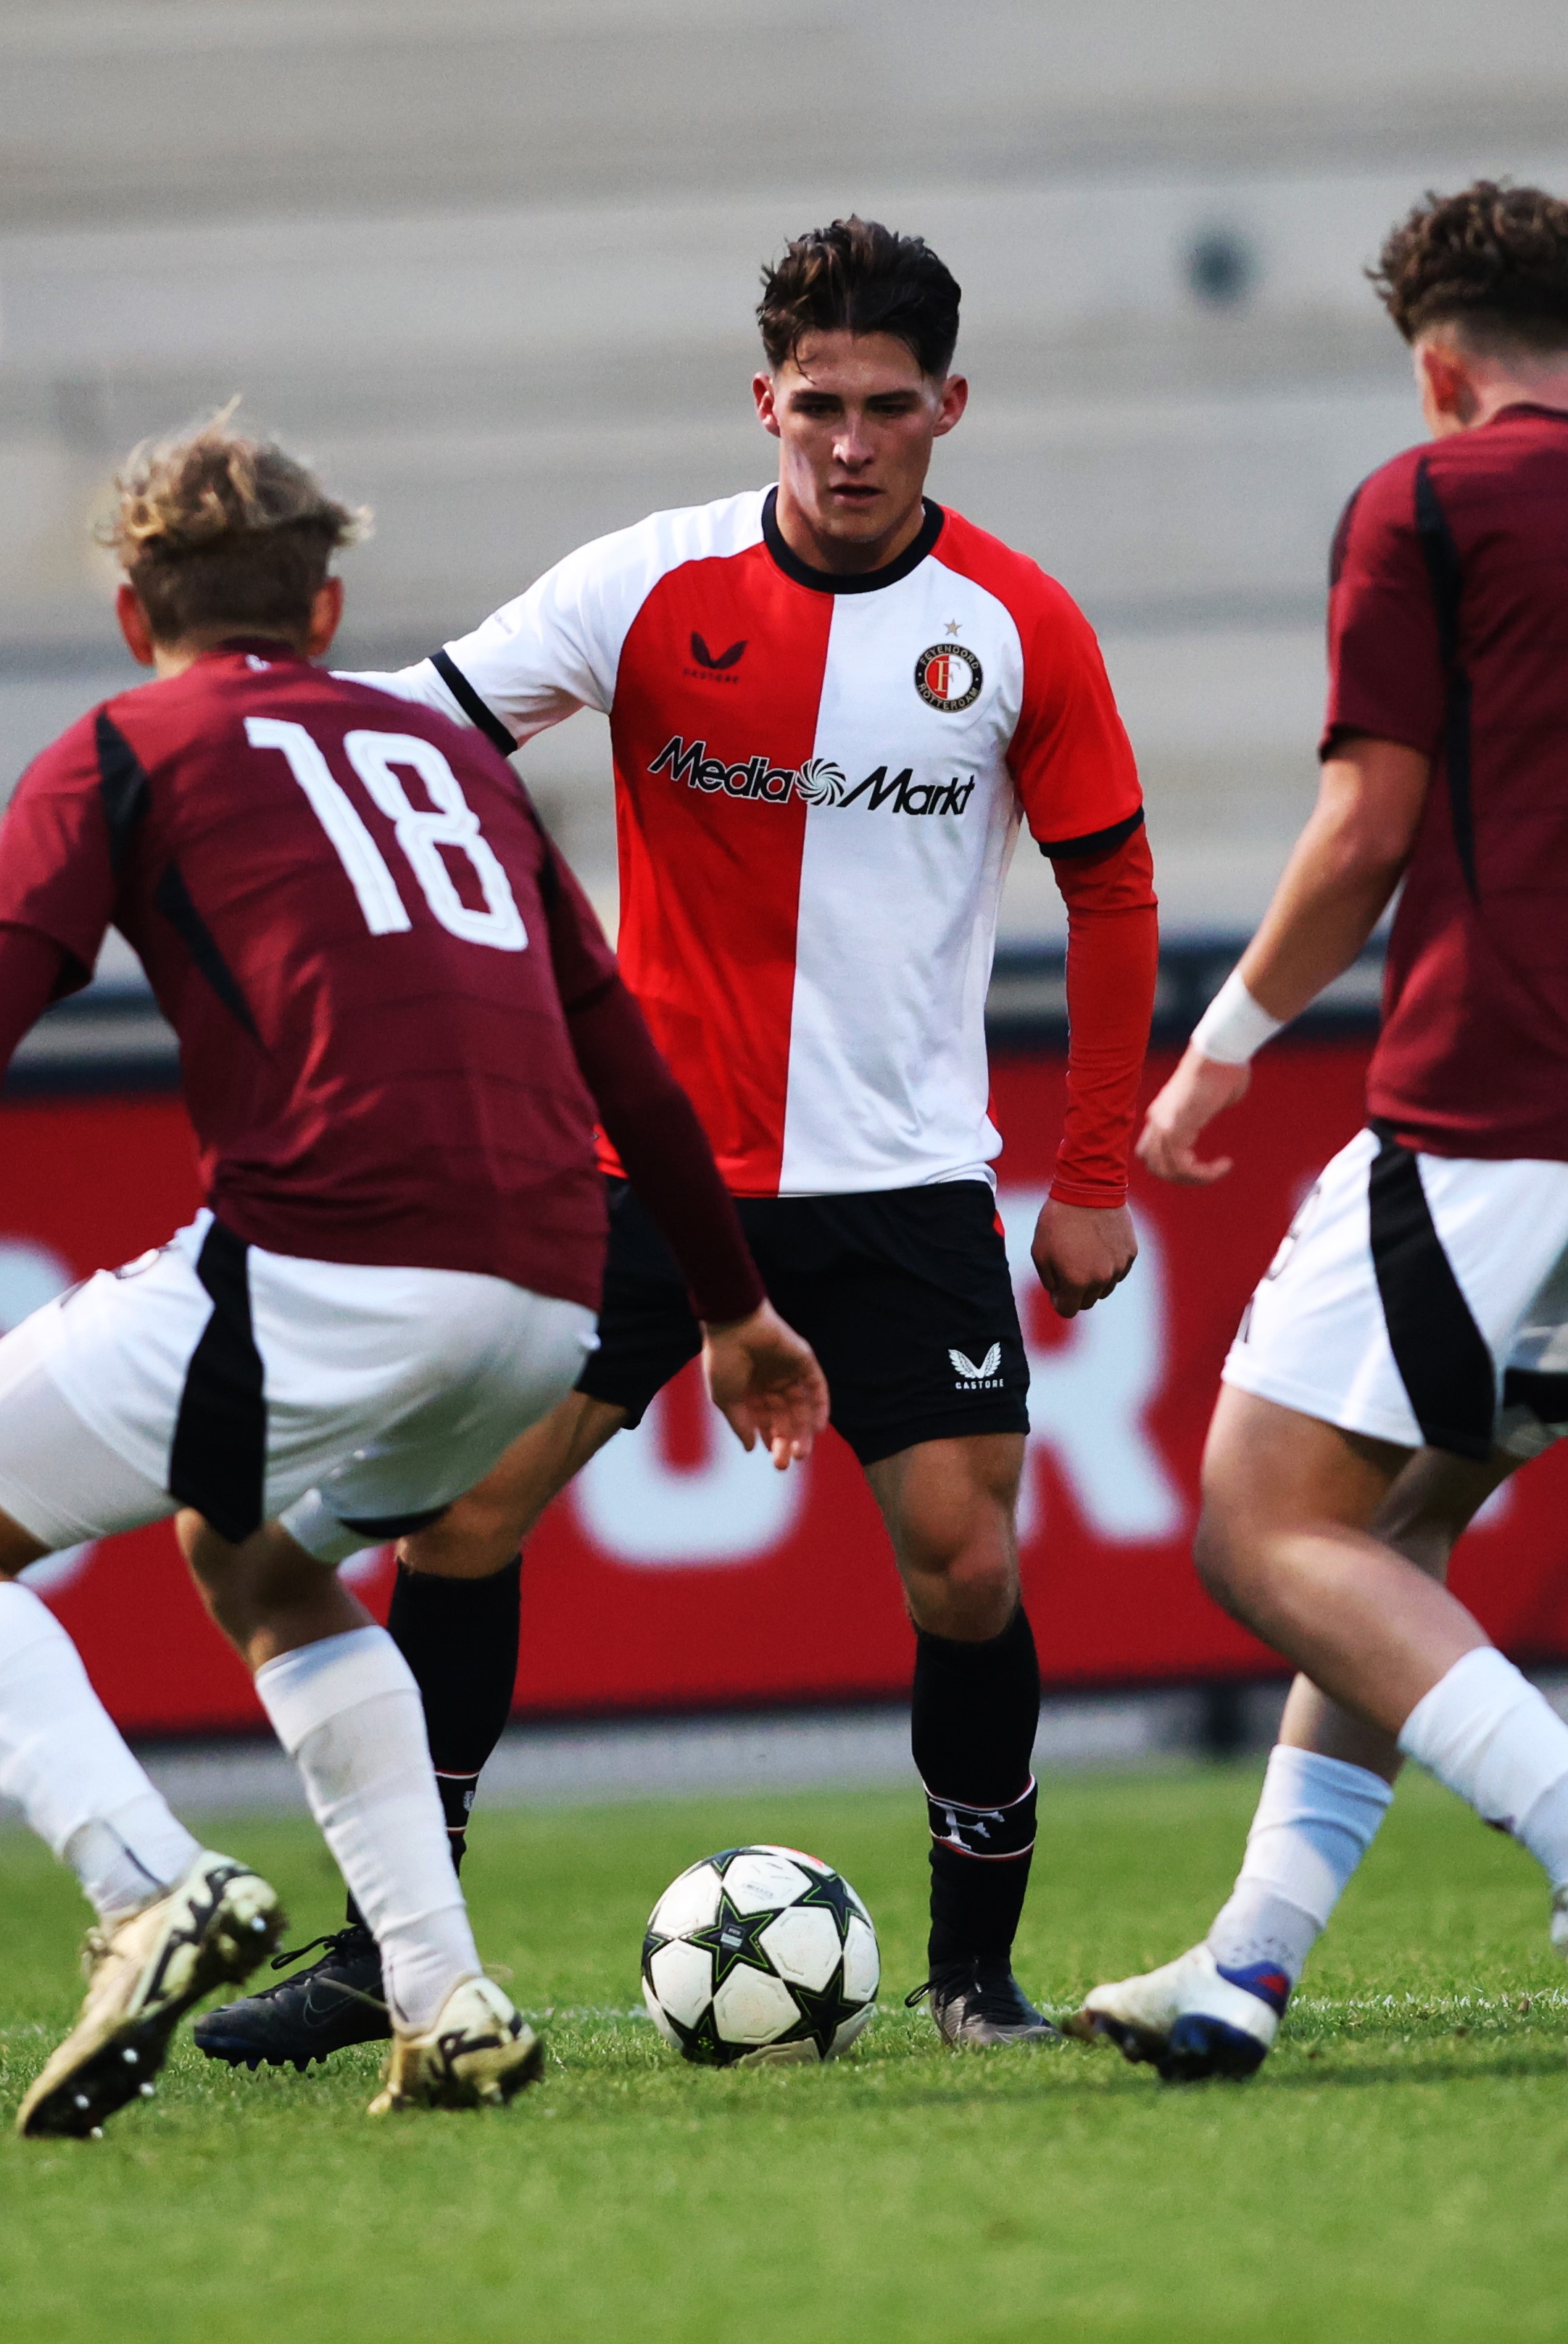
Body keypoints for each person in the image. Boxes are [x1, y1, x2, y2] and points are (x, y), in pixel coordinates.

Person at [0, 416, 829, 2133]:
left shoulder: (120, 745)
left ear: (137, 616)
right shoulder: (453, 754)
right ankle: (446, 1994)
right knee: (251, 1552)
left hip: (333, 1256)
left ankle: (142, 1885)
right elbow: (624, 1056)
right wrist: (729, 1302)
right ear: (327, 608)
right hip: (555, 1277)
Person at [192, 216, 1161, 2068]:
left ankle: (975, 1977)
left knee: (964, 1564)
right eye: (818, 407)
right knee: (466, 1516)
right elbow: (433, 723)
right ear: (764, 401)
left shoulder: (1019, 625)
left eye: (891, 407)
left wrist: (1095, 1171)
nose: (852, 443)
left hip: (897, 1183)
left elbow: (1111, 892)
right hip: (640, 1176)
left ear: (952, 405)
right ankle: (396, 1953)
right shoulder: (651, 582)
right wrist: (232, 727)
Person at [1069, 181, 1568, 2082]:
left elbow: (1366, 828)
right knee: (1393, 1536)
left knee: (1262, 1527)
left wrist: (1223, 1045)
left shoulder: (1426, 499)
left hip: (1505, 1104)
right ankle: (1248, 1964)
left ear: (1438, 370)